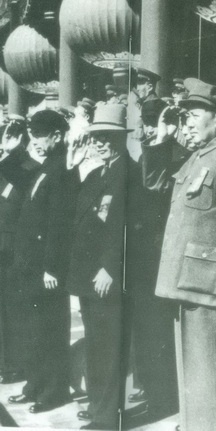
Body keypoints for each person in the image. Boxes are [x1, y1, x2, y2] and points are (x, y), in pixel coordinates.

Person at [142, 78, 216, 431]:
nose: (188, 122)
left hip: (212, 289)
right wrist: (161, 138)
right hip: (189, 285)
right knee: (193, 379)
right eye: (185, 116)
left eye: (194, 114)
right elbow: (153, 182)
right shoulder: (199, 156)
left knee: (213, 381)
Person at [65, 104, 130, 430]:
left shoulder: (128, 174)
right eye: (97, 137)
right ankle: (96, 407)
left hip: (105, 276)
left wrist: (110, 267)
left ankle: (106, 418)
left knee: (106, 348)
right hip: (86, 276)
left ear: (121, 139)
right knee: (95, 345)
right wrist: (72, 164)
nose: (101, 143)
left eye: (108, 138)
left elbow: (125, 228)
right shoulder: (95, 174)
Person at [7, 110, 74, 414]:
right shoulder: (46, 165)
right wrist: (14, 149)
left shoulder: (62, 168)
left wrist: (52, 267)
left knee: (50, 330)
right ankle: (34, 385)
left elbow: (58, 223)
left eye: (40, 136)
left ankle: (54, 392)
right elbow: (15, 175)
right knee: (32, 329)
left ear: (56, 136)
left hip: (45, 268)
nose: (35, 141)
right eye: (32, 136)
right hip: (28, 265)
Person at [125, 98, 183, 424]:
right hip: (143, 260)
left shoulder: (177, 155)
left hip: (160, 259)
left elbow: (154, 189)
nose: (148, 129)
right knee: (144, 331)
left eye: (154, 122)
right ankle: (149, 388)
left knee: (158, 333)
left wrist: (160, 142)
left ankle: (162, 399)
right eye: (146, 123)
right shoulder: (147, 153)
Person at [0, 119, 30, 385]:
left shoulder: (25, 168)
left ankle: (15, 366)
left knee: (13, 310)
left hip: (12, 252)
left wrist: (10, 153)